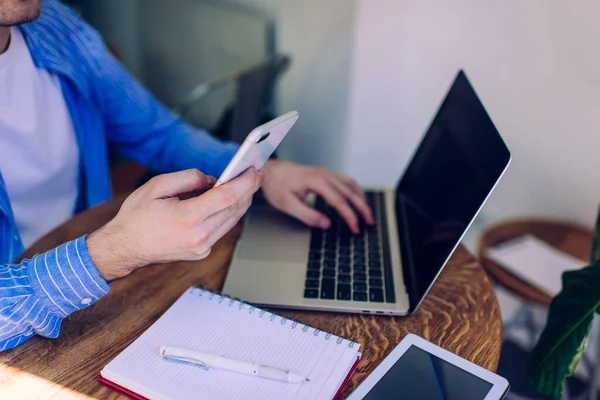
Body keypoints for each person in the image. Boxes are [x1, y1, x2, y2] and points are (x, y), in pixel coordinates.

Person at [0, 0, 374, 351]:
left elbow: (155, 131)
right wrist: (112, 252)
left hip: (90, 295)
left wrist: (263, 170)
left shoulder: (54, 25)